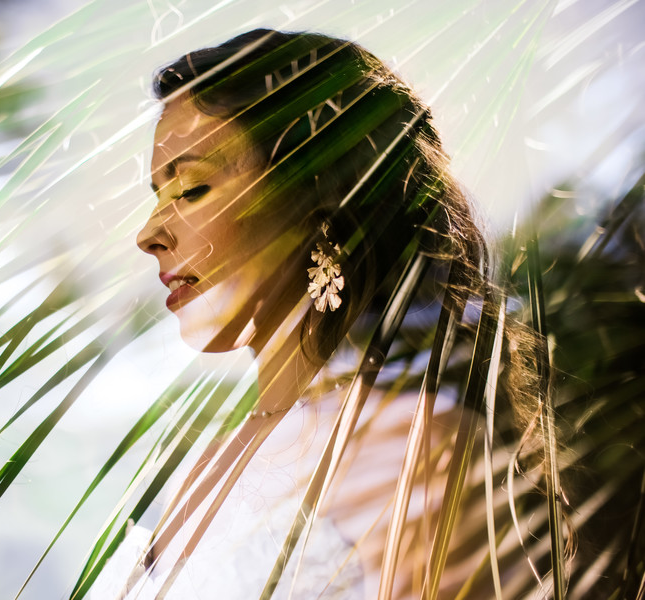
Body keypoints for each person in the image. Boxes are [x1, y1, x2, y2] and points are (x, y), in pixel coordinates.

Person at [86, 28, 543, 599]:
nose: (149, 233)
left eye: (193, 189)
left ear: (318, 203)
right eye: (157, 195)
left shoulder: (412, 449)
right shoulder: (201, 470)